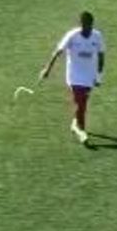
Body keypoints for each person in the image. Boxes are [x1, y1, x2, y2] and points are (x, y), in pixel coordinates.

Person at [39, 11, 105, 145]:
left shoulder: (97, 36)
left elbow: (101, 56)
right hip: (74, 76)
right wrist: (47, 69)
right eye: (85, 26)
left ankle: (75, 124)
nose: (88, 29)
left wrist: (98, 76)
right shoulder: (72, 35)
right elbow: (58, 52)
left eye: (90, 26)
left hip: (89, 76)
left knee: (82, 104)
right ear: (81, 24)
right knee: (79, 103)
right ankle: (81, 131)